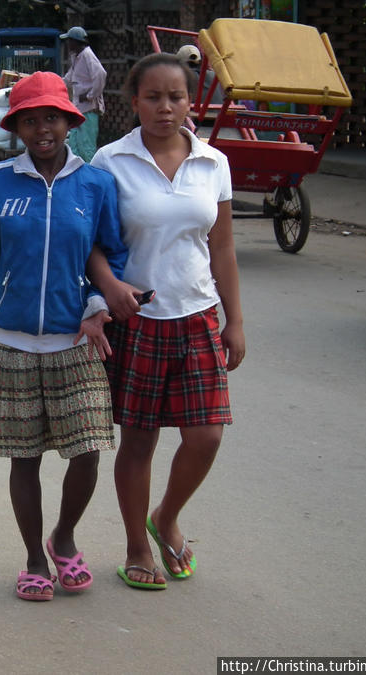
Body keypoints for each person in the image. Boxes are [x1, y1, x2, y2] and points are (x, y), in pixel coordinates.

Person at [0, 71, 129, 602]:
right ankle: (35, 556)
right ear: (16, 126)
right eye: (31, 120)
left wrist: (98, 306)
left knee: (87, 452)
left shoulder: (95, 184)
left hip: (76, 343)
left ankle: (64, 537)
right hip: (12, 344)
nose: (43, 130)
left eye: (52, 119)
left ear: (69, 122)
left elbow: (112, 257)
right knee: (25, 458)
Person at [88, 52, 245, 590]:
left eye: (175, 96)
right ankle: (136, 544)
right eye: (152, 97)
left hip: (198, 316)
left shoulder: (213, 162)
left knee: (206, 436)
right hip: (138, 321)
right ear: (133, 103)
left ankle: (166, 517)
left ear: (190, 102)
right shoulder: (111, 162)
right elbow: (91, 246)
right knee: (139, 442)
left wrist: (235, 320)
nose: (164, 107)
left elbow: (221, 246)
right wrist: (108, 290)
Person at [60, 26, 107, 162]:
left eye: (70, 41)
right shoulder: (77, 57)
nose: (68, 44)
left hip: (88, 108)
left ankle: (90, 173)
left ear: (76, 41)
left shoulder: (87, 54)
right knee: (74, 145)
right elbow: (69, 78)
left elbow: (100, 74)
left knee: (86, 147)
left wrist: (90, 95)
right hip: (78, 108)